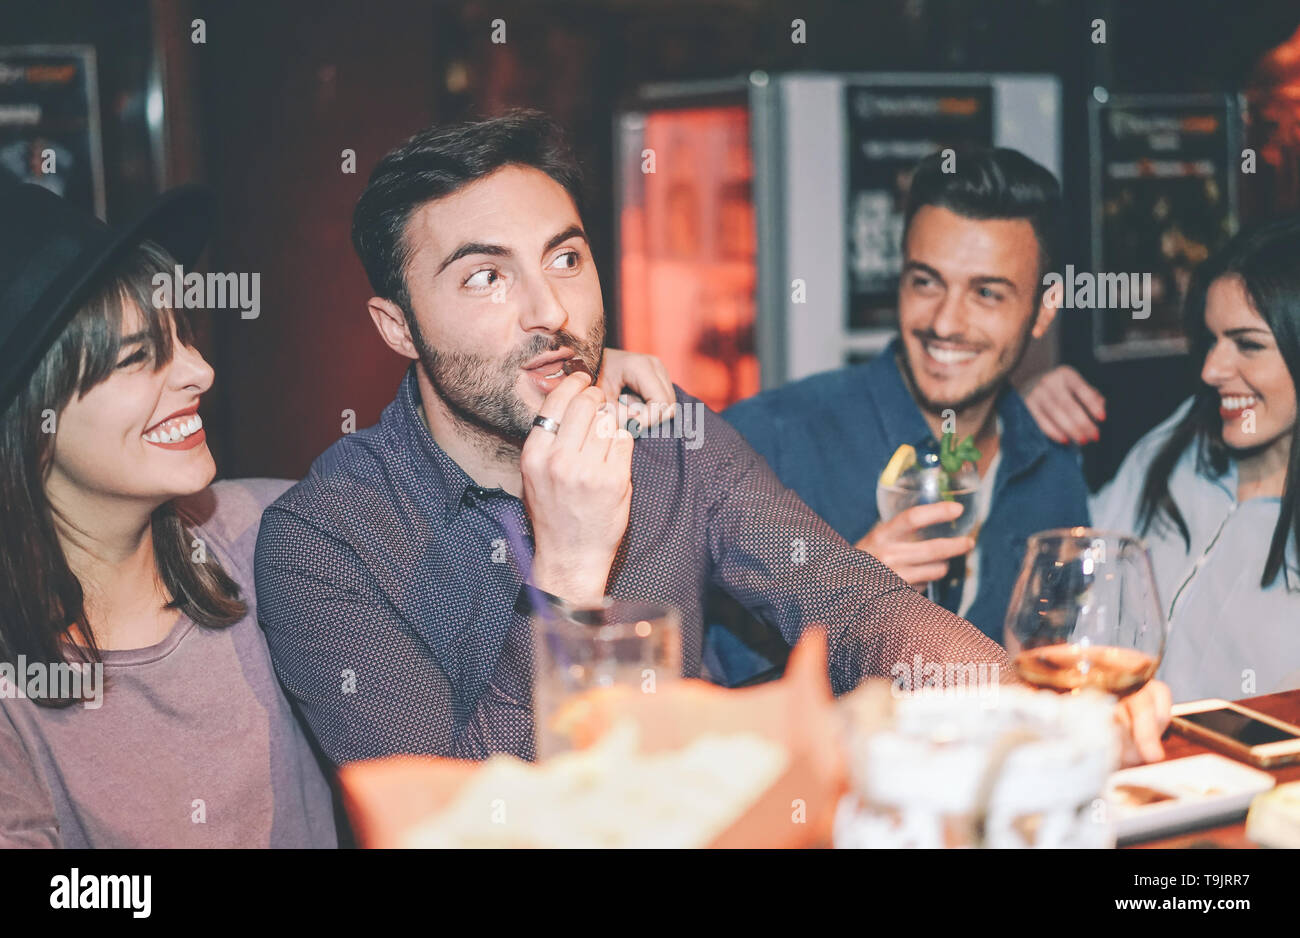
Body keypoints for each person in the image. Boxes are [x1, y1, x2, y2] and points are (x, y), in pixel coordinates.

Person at [252, 110, 1170, 767]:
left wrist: (1033, 708)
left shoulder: (670, 439)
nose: (551, 312)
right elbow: (457, 828)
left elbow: (852, 604)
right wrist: (569, 577)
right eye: (485, 279)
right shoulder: (325, 546)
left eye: (566, 259)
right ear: (397, 327)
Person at [0, 177, 337, 847]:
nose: (200, 372)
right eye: (139, 358)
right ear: (35, 429)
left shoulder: (276, 532)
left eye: (181, 338)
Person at [715, 148, 1089, 680]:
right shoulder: (765, 444)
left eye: (986, 293)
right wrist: (843, 604)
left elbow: (1061, 672)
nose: (945, 321)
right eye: (926, 281)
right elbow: (682, 682)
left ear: (1043, 310)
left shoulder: (1052, 469)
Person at [1024, 216, 1300, 702]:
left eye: (1249, 345)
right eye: (1211, 340)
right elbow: (1070, 557)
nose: (1213, 369)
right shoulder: (1179, 445)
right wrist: (1022, 419)